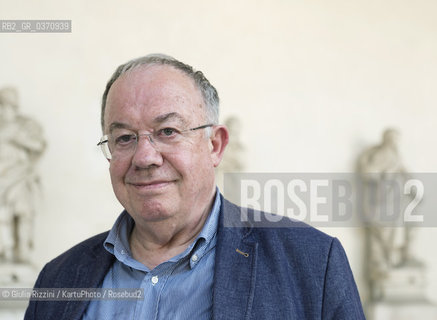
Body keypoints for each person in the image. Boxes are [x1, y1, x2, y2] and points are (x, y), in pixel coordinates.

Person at [25, 54, 365, 319]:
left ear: (214, 145)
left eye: (168, 132)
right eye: (124, 138)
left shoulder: (311, 264)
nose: (145, 157)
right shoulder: (59, 278)